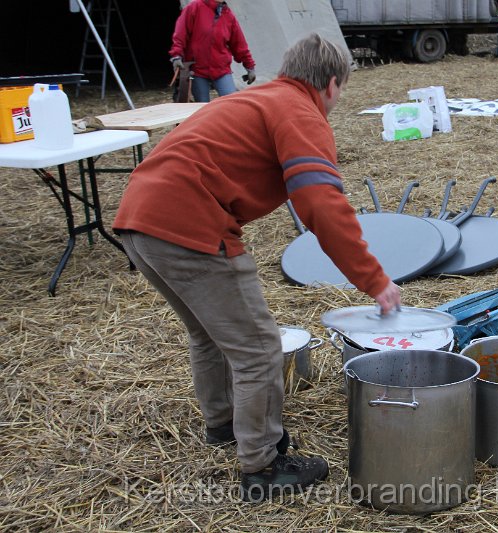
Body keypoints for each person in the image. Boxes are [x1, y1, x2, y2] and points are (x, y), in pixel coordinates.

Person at [113, 33, 401, 502]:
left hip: (139, 222)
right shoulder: (300, 111)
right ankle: (262, 465)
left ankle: (225, 423)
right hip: (189, 224)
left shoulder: (258, 98)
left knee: (209, 332)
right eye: (341, 91)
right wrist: (375, 280)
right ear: (331, 83)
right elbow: (321, 204)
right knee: (259, 349)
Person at [169, 0, 257, 102]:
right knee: (202, 107)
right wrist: (176, 55)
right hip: (197, 69)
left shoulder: (228, 15)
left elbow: (239, 43)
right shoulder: (195, 7)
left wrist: (249, 66)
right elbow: (181, 33)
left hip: (221, 69)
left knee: (231, 103)